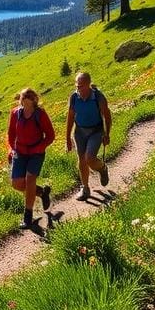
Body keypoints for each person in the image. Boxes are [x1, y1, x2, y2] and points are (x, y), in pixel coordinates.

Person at [7, 87, 55, 228]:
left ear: (34, 99)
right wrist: (11, 149)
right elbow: (10, 134)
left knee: (29, 179)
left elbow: (50, 136)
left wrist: (40, 147)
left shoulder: (40, 114)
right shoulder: (15, 113)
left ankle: (27, 217)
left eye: (28, 96)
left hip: (36, 153)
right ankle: (42, 192)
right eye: (22, 96)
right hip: (20, 152)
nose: (24, 98)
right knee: (17, 184)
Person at [65, 72, 112, 201]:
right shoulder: (74, 97)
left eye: (80, 86)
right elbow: (70, 117)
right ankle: (85, 188)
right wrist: (67, 138)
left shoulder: (98, 97)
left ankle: (102, 168)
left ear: (88, 85)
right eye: (76, 85)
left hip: (96, 131)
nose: (77, 88)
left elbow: (107, 116)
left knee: (89, 158)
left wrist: (107, 134)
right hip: (79, 132)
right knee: (81, 160)